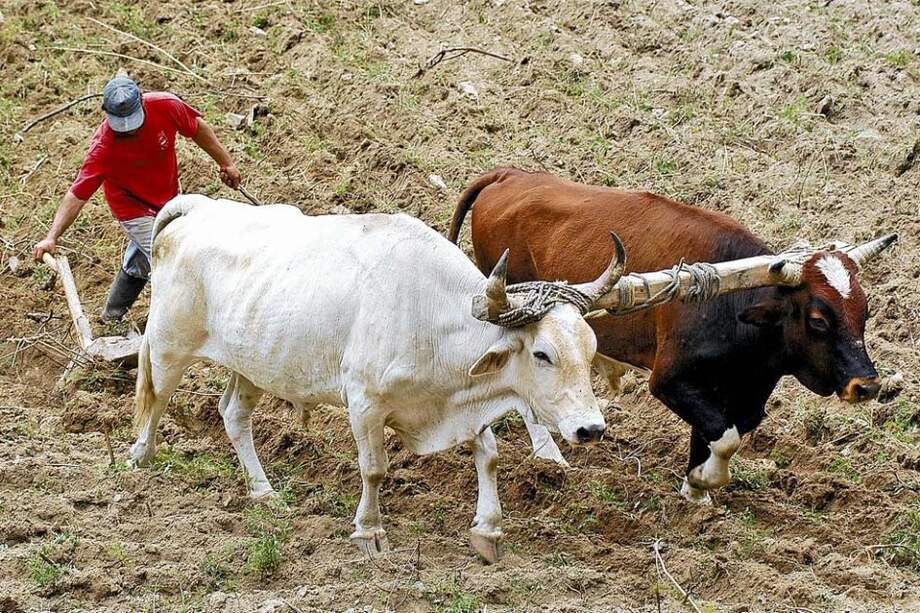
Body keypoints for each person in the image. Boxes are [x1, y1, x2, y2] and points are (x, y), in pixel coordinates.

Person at [32, 76, 242, 320]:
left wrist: (226, 163)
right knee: (169, 254)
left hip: (168, 197)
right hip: (131, 206)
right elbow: (77, 195)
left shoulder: (167, 106)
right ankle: (182, 321)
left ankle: (112, 316)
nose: (129, 129)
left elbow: (197, 128)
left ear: (142, 102)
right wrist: (51, 237)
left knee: (142, 259)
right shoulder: (104, 147)